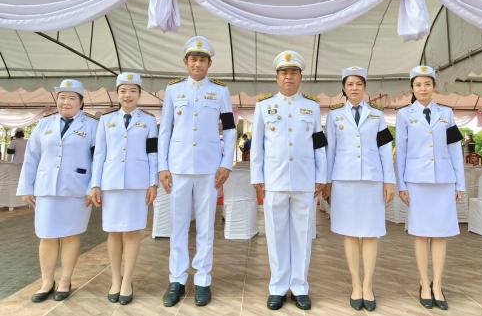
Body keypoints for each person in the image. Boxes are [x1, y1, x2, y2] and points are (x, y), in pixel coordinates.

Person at [158, 36, 237, 307]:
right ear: (185, 62)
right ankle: (177, 280)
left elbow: (230, 129)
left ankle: (203, 279)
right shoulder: (173, 91)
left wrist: (226, 163)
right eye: (193, 59)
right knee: (178, 225)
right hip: (178, 167)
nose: (197, 64)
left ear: (209, 64)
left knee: (205, 226)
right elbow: (164, 130)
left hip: (209, 168)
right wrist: (163, 166)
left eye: (202, 60)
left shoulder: (220, 92)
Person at [251, 50, 327, 311]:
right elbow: (257, 145)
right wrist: (257, 177)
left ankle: (300, 287)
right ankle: (278, 287)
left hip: (305, 180)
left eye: (293, 72)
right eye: (284, 72)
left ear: (300, 77)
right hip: (274, 180)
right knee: (276, 235)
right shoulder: (263, 106)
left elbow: (319, 144)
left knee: (303, 235)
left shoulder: (312, 107)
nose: (289, 76)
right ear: (277, 77)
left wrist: (321, 176)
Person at [16, 79, 98, 302]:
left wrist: (93, 187)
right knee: (47, 235)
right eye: (62, 98)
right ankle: (47, 281)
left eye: (71, 98)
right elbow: (32, 157)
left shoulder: (92, 126)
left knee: (71, 235)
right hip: (46, 188)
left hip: (77, 189)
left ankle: (65, 280)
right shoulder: (44, 124)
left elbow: (98, 159)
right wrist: (26, 187)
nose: (66, 102)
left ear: (81, 102)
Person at [323, 67, 395, 312]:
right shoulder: (334, 116)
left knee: (371, 233)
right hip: (344, 180)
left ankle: (368, 285)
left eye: (358, 83)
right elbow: (330, 151)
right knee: (350, 233)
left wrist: (389, 181)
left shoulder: (377, 116)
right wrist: (327, 182)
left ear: (364, 87)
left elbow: (385, 150)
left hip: (373, 180)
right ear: (343, 88)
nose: (354, 88)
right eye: (350, 84)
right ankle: (355, 284)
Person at [396, 65, 464, 311]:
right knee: (421, 233)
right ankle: (424, 283)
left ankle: (438, 285)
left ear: (434, 86)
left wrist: (460, 183)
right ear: (412, 89)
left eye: (427, 84)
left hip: (444, 181)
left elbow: (455, 149)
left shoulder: (447, 114)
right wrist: (401, 184)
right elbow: (400, 151)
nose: (423, 88)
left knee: (440, 234)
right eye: (418, 85)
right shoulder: (404, 115)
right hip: (417, 182)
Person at [90, 73, 158, 305]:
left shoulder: (149, 121)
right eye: (123, 91)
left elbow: (152, 153)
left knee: (132, 232)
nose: (127, 95)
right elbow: (99, 154)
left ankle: (127, 280)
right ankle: (115, 279)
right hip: (111, 182)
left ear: (139, 94)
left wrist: (153, 182)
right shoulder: (106, 120)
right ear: (117, 94)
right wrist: (95, 184)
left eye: (132, 91)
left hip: (138, 183)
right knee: (113, 232)